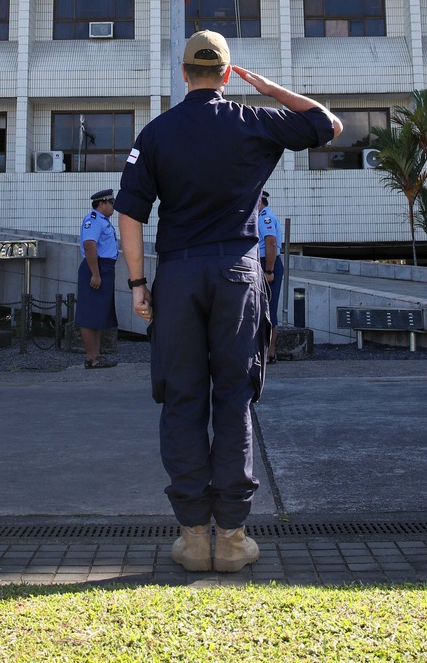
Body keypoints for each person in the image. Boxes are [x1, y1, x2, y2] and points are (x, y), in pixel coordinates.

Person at [115, 30, 341, 574]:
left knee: (182, 397)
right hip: (238, 275)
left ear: (184, 72)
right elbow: (327, 124)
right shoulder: (253, 120)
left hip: (180, 273)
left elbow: (130, 214)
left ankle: (194, 538)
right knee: (234, 399)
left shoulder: (157, 132)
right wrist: (268, 88)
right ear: (226, 72)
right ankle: (234, 539)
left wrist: (137, 285)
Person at [75, 188, 119, 369]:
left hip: (105, 268)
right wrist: (95, 274)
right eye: (111, 203)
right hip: (96, 267)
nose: (113, 207)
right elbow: (89, 245)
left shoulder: (103, 221)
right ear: (101, 203)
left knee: (99, 314)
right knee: (89, 315)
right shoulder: (93, 220)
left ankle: (97, 356)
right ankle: (91, 358)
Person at [258, 192, 284, 363]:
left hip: (267, 262)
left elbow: (271, 242)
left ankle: (270, 353)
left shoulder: (264, 217)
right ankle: (266, 352)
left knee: (268, 308)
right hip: (265, 261)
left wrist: (268, 270)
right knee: (263, 308)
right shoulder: (262, 216)